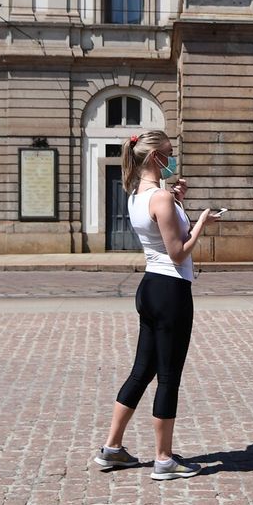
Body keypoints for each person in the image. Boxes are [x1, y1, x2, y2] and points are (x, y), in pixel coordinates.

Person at [94, 130, 218, 479]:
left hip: (150, 286)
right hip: (170, 290)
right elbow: (178, 252)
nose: (173, 158)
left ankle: (112, 448)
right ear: (154, 158)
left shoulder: (138, 194)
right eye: (169, 153)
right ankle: (164, 460)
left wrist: (180, 203)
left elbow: (166, 238)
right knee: (168, 377)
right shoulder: (161, 198)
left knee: (141, 371)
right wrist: (202, 224)